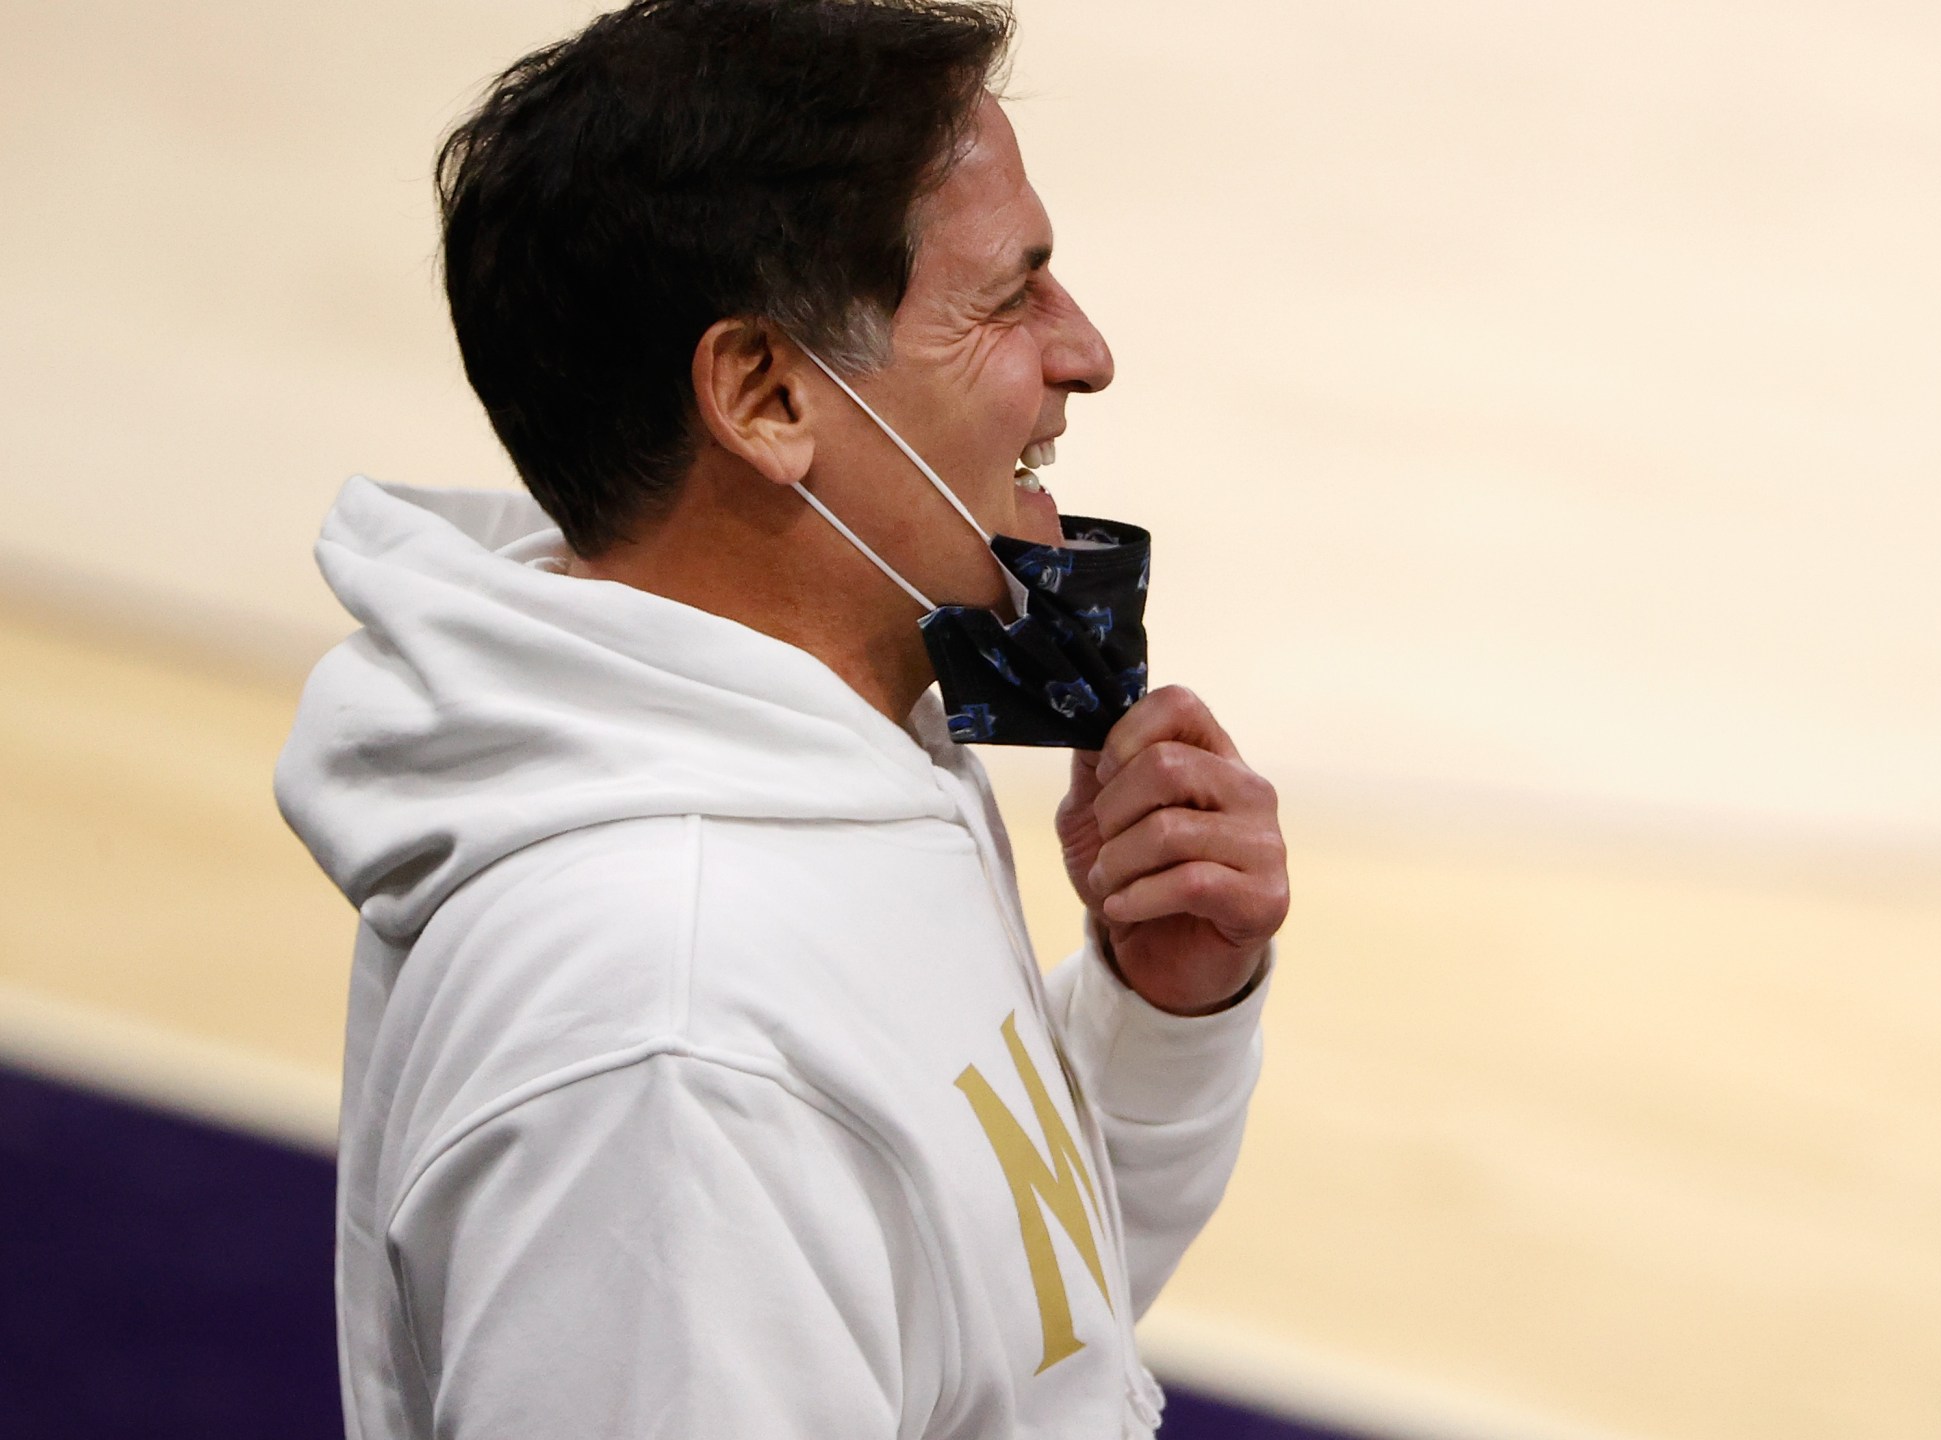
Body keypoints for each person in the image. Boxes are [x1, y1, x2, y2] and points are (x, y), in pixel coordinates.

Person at [272, 3, 1289, 1436]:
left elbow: (1007, 1332)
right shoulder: (664, 1045)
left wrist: (1161, 1015)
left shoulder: (834, 756)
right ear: (764, 394)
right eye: (1010, 298)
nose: (1088, 352)